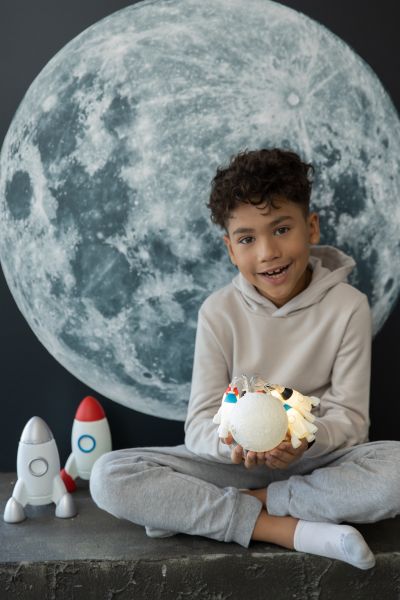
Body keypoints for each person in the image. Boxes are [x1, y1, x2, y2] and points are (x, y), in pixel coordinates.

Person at [90, 148, 400, 570]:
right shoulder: (218, 313)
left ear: (310, 227)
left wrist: (303, 441)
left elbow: (351, 422)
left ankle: (236, 505)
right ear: (230, 250)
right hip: (235, 466)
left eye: (282, 229)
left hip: (316, 466)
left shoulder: (348, 307)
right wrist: (233, 443)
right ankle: (286, 530)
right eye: (247, 239)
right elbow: (199, 426)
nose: (268, 252)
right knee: (109, 475)